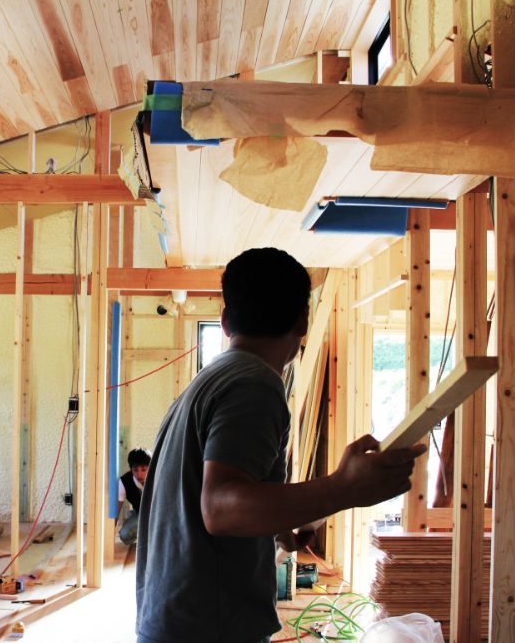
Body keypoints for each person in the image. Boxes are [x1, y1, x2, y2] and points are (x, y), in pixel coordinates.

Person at [135, 248, 426, 643]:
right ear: (303, 321)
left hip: (177, 619)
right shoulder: (254, 384)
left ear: (224, 322)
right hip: (209, 628)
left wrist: (282, 529)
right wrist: (343, 488)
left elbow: (221, 500)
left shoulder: (209, 381)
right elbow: (219, 509)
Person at [118, 448, 151, 546]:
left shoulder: (159, 478)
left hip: (159, 515)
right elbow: (116, 509)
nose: (139, 474)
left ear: (150, 467)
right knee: (125, 534)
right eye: (135, 470)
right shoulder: (124, 482)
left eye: (144, 470)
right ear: (131, 468)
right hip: (140, 514)